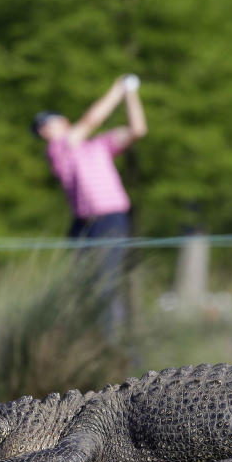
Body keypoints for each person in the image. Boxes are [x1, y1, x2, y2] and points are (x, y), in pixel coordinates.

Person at [33, 74, 147, 332]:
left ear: (64, 122)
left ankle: (111, 344)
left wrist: (131, 94)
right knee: (82, 284)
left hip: (111, 219)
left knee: (105, 284)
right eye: (39, 129)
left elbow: (138, 129)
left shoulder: (98, 146)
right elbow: (91, 120)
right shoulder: (56, 150)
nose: (42, 131)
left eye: (46, 124)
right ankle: (91, 339)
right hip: (83, 225)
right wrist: (118, 89)